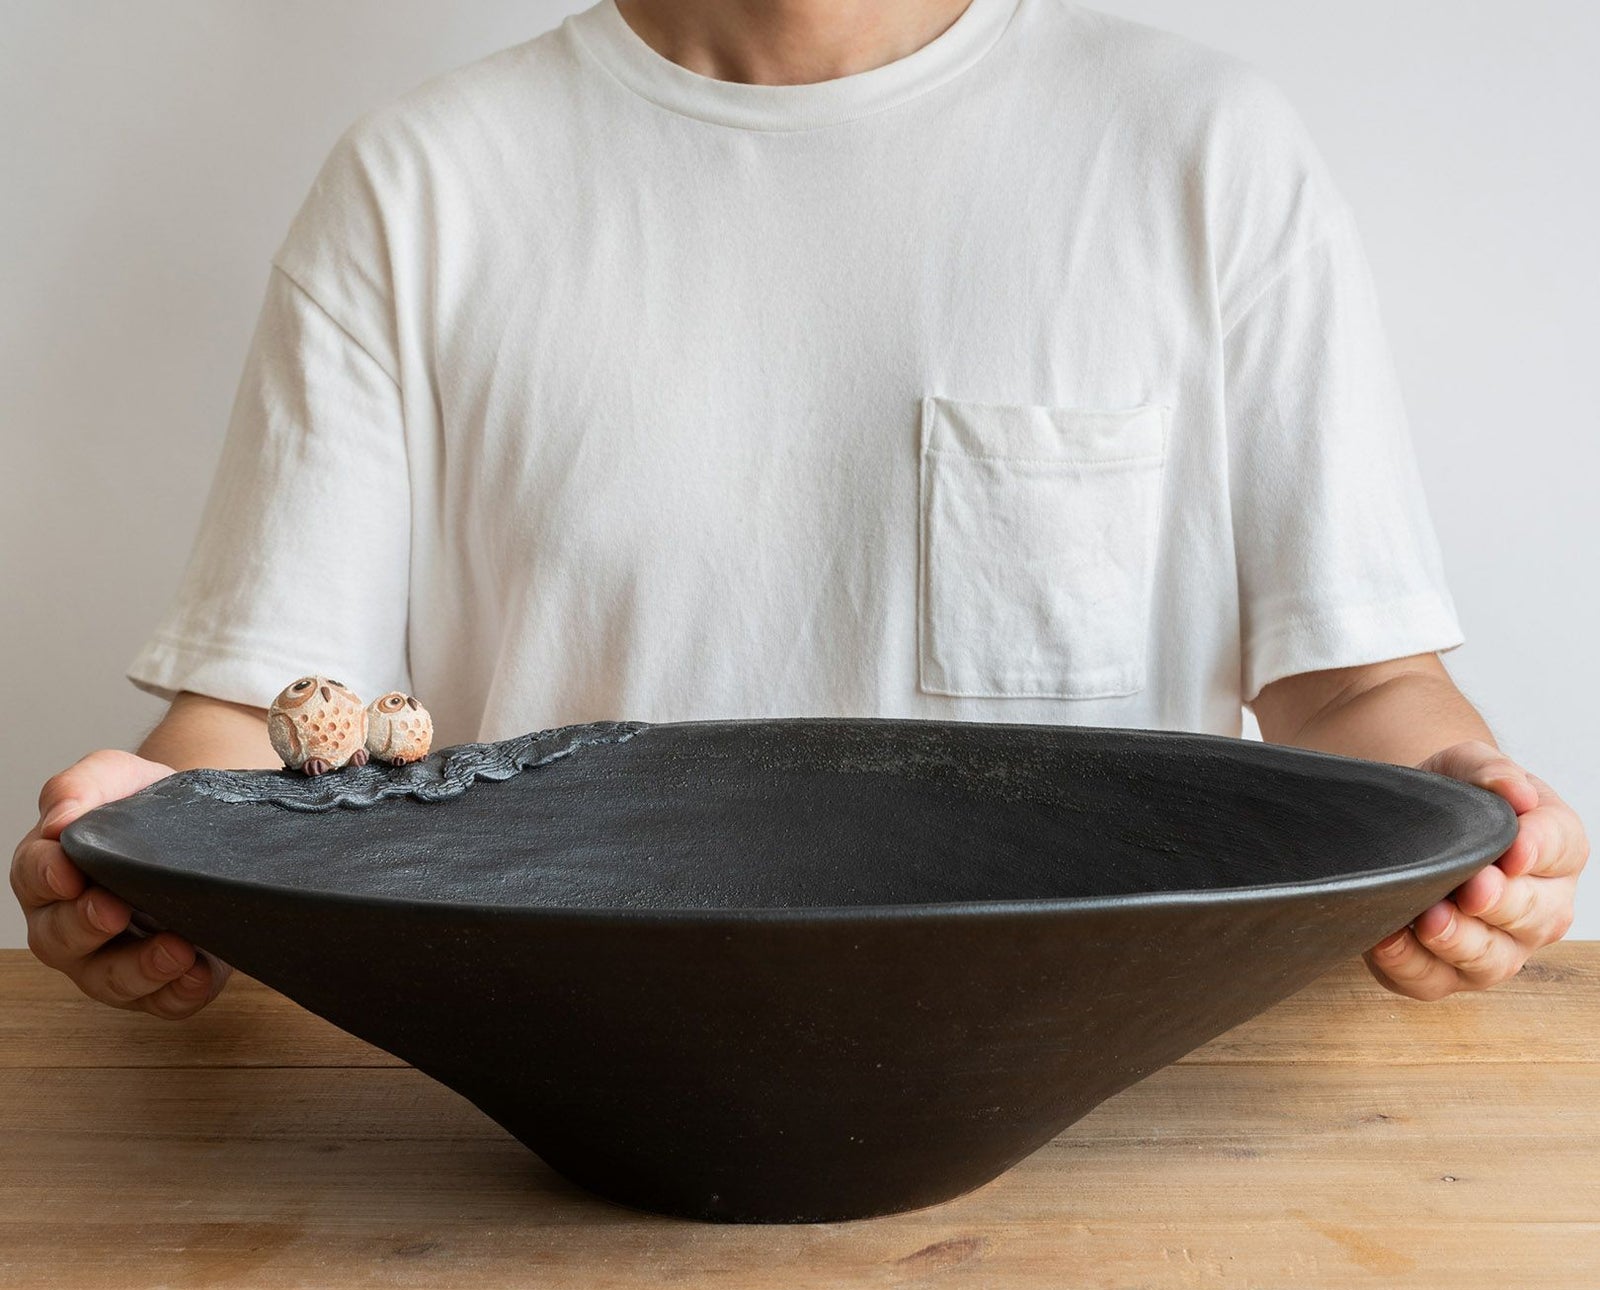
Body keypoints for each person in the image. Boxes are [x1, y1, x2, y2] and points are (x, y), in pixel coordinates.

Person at [11, 0, 1586, 1019]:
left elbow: (1356, 687)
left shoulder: (1199, 152)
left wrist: (1462, 812)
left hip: (1103, 1103)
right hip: (550, 1094)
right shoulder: (422, 186)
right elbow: (272, 717)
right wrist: (149, 848)